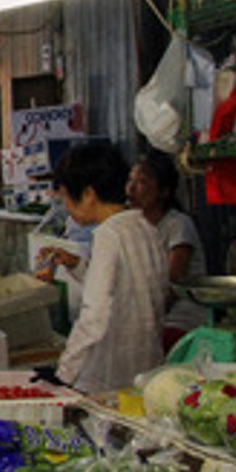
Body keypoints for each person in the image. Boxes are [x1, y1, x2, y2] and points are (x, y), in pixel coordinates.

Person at [49, 143, 167, 394]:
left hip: (108, 375)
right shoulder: (146, 227)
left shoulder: (108, 235)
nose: (67, 207)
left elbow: (95, 315)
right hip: (147, 367)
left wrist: (64, 374)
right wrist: (78, 265)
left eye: (67, 197)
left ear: (89, 194)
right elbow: (129, 285)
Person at [127, 151, 209, 346]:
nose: (130, 189)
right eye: (130, 180)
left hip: (181, 319)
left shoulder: (179, 225)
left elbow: (169, 288)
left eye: (142, 182)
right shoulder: (134, 226)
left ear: (164, 191)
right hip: (150, 317)